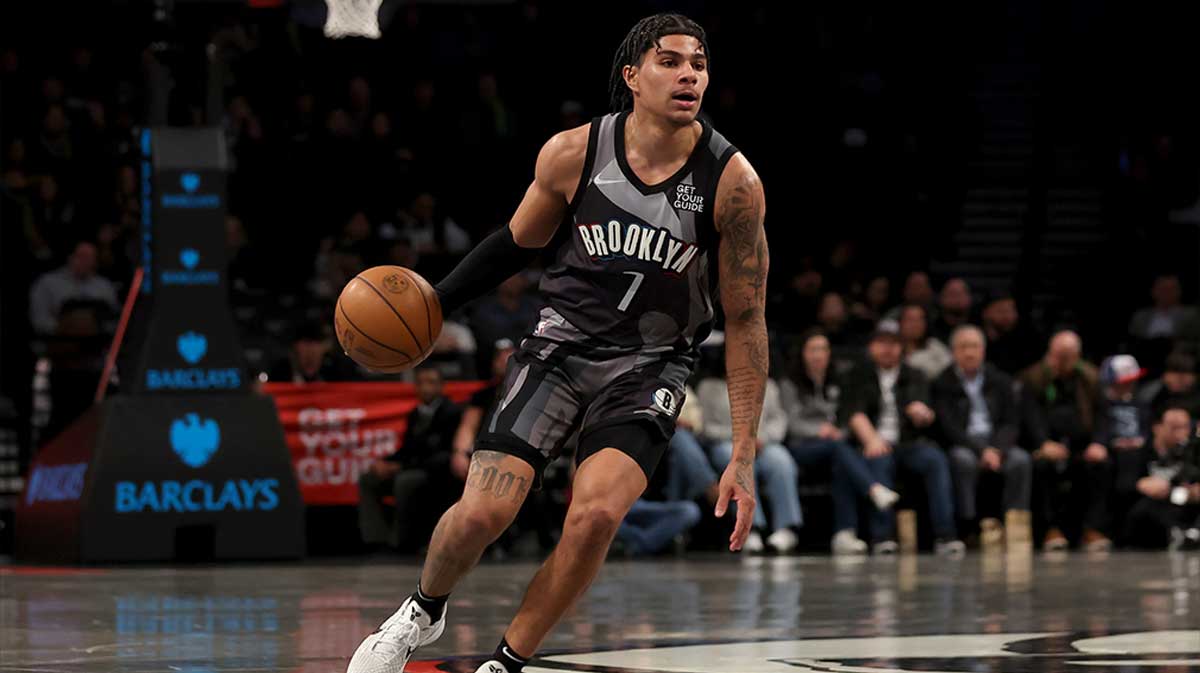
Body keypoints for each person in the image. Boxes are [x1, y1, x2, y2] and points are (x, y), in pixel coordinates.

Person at [347, 14, 769, 673]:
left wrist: (743, 450)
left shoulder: (733, 184)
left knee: (595, 516)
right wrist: (436, 303)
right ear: (633, 76)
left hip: (651, 364)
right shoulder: (575, 152)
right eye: (670, 61)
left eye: (699, 63)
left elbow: (746, 320)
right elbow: (516, 244)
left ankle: (507, 662)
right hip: (560, 350)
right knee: (482, 513)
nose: (689, 74)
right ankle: (421, 611)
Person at [840, 319, 964, 555]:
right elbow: (853, 413)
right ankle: (882, 537)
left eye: (894, 343)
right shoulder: (858, 375)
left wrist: (923, 414)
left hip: (908, 442)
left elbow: (928, 412)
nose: (888, 349)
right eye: (882, 343)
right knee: (879, 460)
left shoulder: (915, 375)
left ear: (902, 347)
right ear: (871, 346)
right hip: (874, 440)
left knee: (935, 460)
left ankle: (945, 534)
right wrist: (872, 440)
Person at [780, 329, 899, 555]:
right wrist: (818, 431)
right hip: (801, 446)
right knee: (840, 450)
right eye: (813, 349)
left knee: (842, 461)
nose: (818, 355)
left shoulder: (838, 380)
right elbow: (790, 423)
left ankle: (845, 534)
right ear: (803, 353)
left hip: (835, 447)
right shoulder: (790, 383)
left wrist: (839, 432)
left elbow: (845, 418)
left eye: (823, 349)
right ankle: (873, 489)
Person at [931, 325, 1031, 546]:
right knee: (962, 461)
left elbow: (1011, 423)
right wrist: (981, 450)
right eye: (963, 347)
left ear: (983, 350)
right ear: (953, 352)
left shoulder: (1000, 380)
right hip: (965, 443)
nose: (969, 353)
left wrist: (997, 449)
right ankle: (968, 526)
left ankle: (1014, 523)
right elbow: (949, 427)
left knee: (1020, 460)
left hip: (996, 442)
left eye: (975, 346)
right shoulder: (943, 383)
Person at [357, 367, 463, 551]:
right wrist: (385, 462)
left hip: (436, 473)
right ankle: (376, 539)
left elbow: (444, 454)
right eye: (420, 383)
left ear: (441, 386)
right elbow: (407, 449)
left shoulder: (452, 412)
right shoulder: (415, 414)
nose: (425, 388)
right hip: (411, 467)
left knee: (404, 481)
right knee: (368, 479)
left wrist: (401, 467)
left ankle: (402, 541)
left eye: (430, 382)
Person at [698, 363, 801, 554]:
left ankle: (786, 528)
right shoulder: (708, 387)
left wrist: (761, 438)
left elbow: (779, 420)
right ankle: (750, 528)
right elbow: (705, 427)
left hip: (763, 443)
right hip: (727, 443)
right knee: (733, 460)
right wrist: (742, 441)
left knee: (781, 459)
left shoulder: (769, 385)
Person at [1019, 330, 1104, 550]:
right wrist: (1042, 442)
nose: (1061, 361)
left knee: (1099, 465)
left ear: (1077, 356)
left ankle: (1091, 529)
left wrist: (1098, 442)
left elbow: (1103, 414)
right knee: (1041, 466)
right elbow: (1029, 415)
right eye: (1058, 355)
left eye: (1067, 356)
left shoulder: (1090, 377)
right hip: (1045, 444)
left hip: (1081, 445)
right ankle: (1050, 529)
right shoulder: (1033, 377)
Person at [1117, 406, 1200, 549]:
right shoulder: (1139, 453)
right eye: (1174, 428)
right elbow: (1123, 485)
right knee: (1147, 506)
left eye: (1185, 427)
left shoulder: (1193, 452)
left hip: (1183, 503)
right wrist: (1140, 484)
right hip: (1151, 512)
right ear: (1157, 428)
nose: (1181, 433)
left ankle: (1190, 534)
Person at [29, 241, 118, 335]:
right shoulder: (47, 283)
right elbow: (39, 319)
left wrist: (97, 328)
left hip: (97, 339)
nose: (86, 261)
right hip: (58, 338)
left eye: (91, 257)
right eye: (82, 256)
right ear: (70, 257)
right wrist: (63, 328)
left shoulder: (104, 285)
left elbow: (114, 320)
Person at [265, 322, 360, 383]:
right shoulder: (279, 373)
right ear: (294, 351)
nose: (310, 351)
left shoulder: (335, 371)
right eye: (306, 343)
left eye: (315, 344)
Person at [1136, 351, 1200, 417]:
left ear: (1195, 377)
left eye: (1184, 374)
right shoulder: (1154, 394)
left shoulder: (1197, 398)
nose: (1177, 379)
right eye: (1174, 372)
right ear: (1164, 375)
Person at [899, 303, 952, 380]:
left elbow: (951, 372)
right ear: (900, 323)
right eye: (910, 319)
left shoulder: (935, 346)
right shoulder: (893, 348)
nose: (915, 324)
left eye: (920, 320)